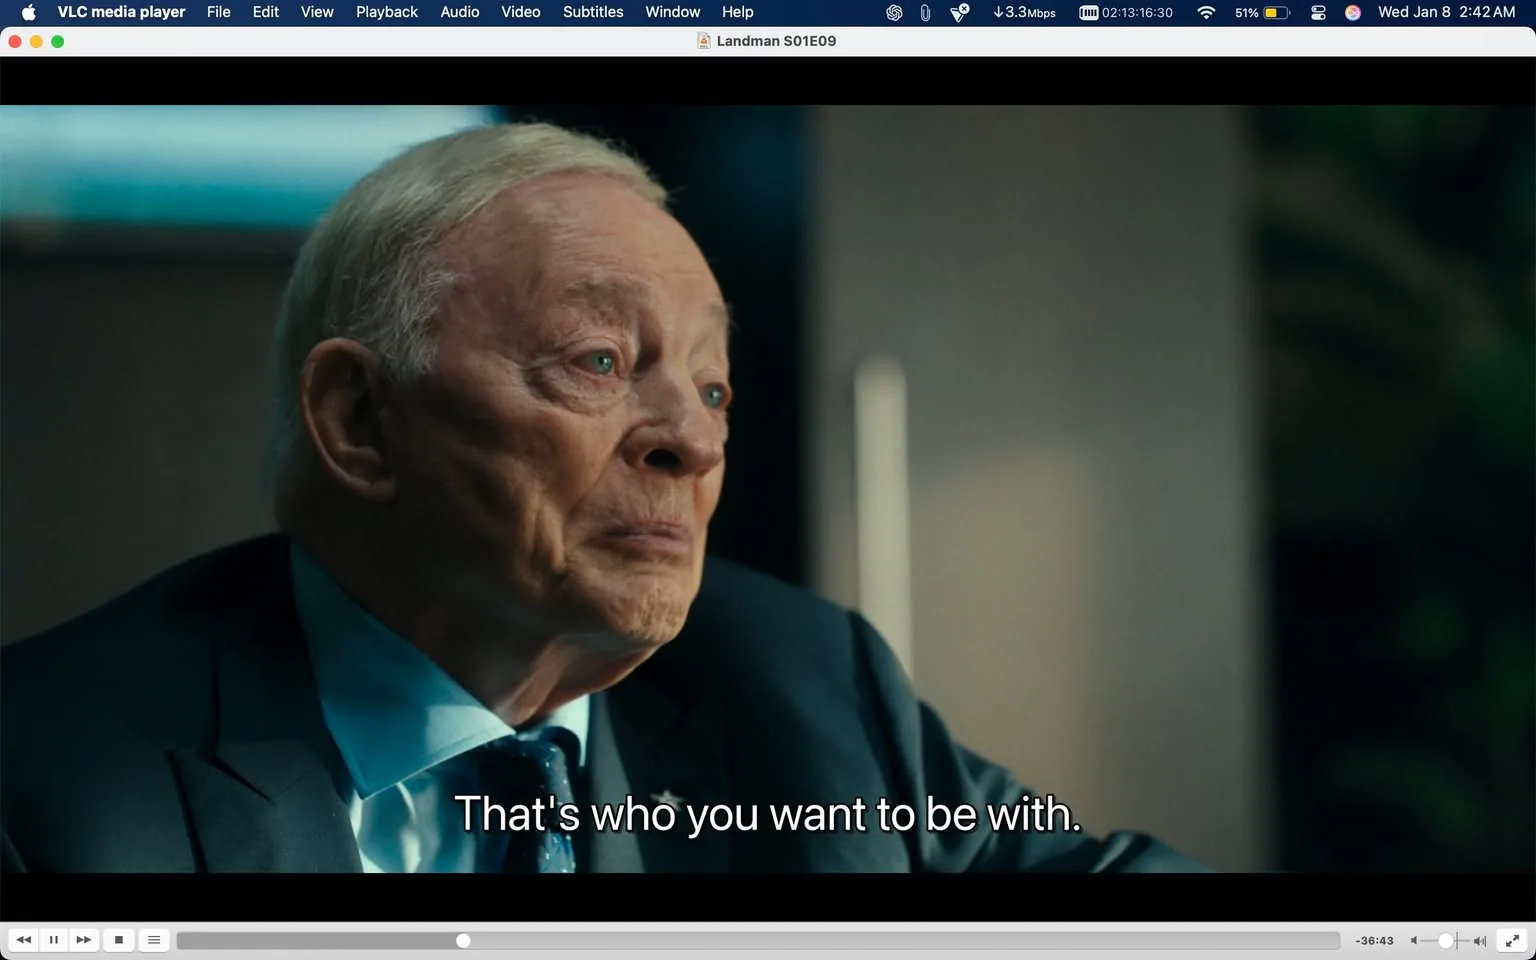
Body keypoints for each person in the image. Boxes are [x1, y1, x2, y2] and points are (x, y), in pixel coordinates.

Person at [0, 122, 1205, 873]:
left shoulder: (799, 689)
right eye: (599, 361)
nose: (693, 440)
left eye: (713, 386)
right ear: (361, 422)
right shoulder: (46, 779)